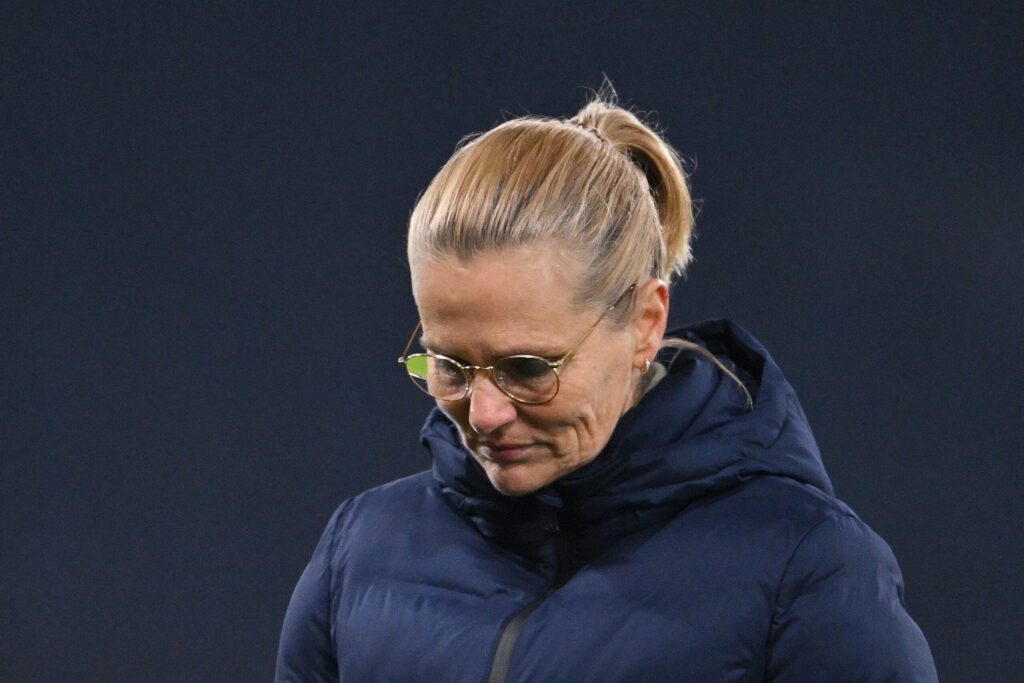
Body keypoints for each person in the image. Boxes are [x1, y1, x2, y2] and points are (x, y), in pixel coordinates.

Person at [276, 93, 938, 682]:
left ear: (646, 323)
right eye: (449, 364)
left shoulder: (808, 571)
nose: (484, 413)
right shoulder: (357, 555)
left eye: (528, 368)